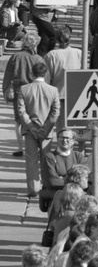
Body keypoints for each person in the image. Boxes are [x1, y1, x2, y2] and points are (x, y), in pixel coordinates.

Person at [18, 61, 59, 200]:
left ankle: (33, 189)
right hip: (46, 132)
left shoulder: (24, 89)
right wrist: (45, 128)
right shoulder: (53, 90)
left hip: (30, 131)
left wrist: (31, 127)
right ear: (46, 73)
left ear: (31, 74)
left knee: (31, 160)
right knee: (46, 160)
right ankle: (47, 186)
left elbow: (21, 111)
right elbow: (55, 114)